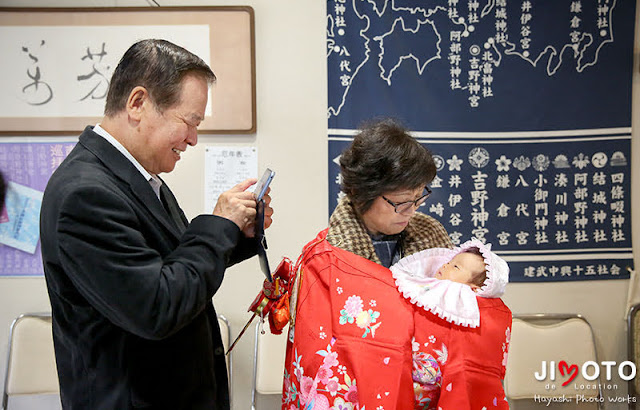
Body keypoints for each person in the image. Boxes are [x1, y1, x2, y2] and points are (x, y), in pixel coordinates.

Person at [40, 39, 272, 410]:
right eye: (189, 122)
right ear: (138, 104)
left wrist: (233, 233)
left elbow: (171, 263)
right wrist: (218, 223)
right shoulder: (86, 195)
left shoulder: (135, 178)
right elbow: (156, 306)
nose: (193, 139)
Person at [281, 118, 452, 410]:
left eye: (418, 198)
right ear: (362, 193)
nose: (410, 212)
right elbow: (316, 360)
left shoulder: (431, 235)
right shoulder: (325, 261)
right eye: (399, 202)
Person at [391, 239, 512, 408]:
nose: (446, 266)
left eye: (456, 267)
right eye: (449, 262)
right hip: (414, 371)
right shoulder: (424, 288)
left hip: (443, 373)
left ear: (474, 288)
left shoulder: (473, 305)